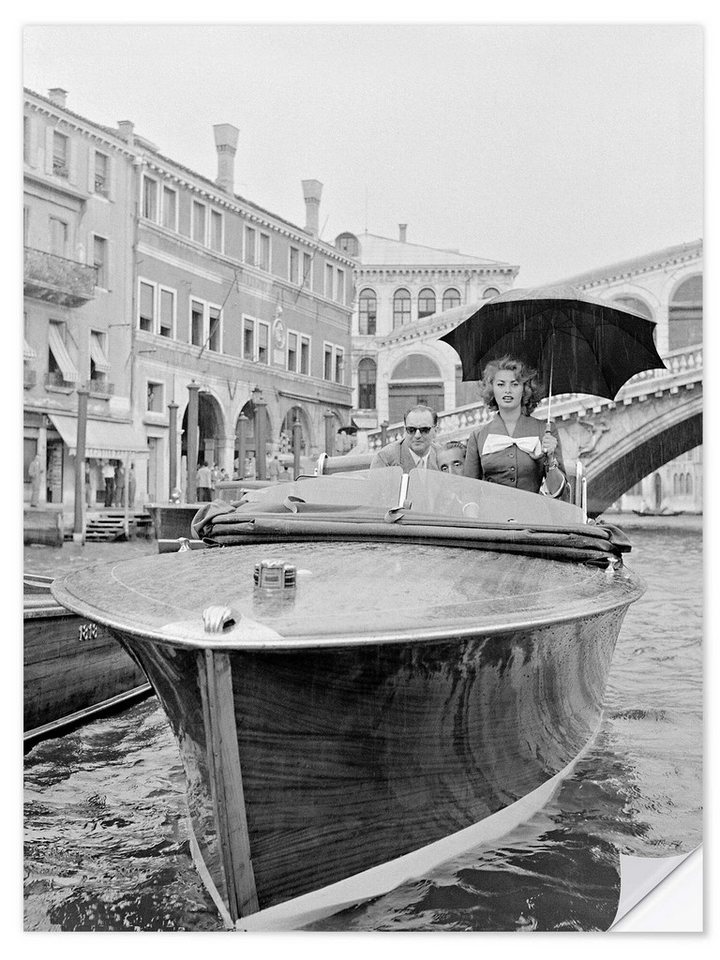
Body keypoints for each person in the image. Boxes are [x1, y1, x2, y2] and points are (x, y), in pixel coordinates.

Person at [463, 355, 567, 498]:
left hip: (530, 516)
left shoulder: (545, 430)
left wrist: (550, 458)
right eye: (501, 384)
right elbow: (469, 491)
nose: (508, 390)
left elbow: (558, 491)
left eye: (515, 384)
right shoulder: (478, 436)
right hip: (491, 517)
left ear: (525, 389)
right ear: (491, 389)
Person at [370, 405, 441, 472]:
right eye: (411, 430)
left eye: (424, 430)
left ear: (435, 431)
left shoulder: (443, 457)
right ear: (404, 431)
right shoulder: (385, 459)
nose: (417, 435)